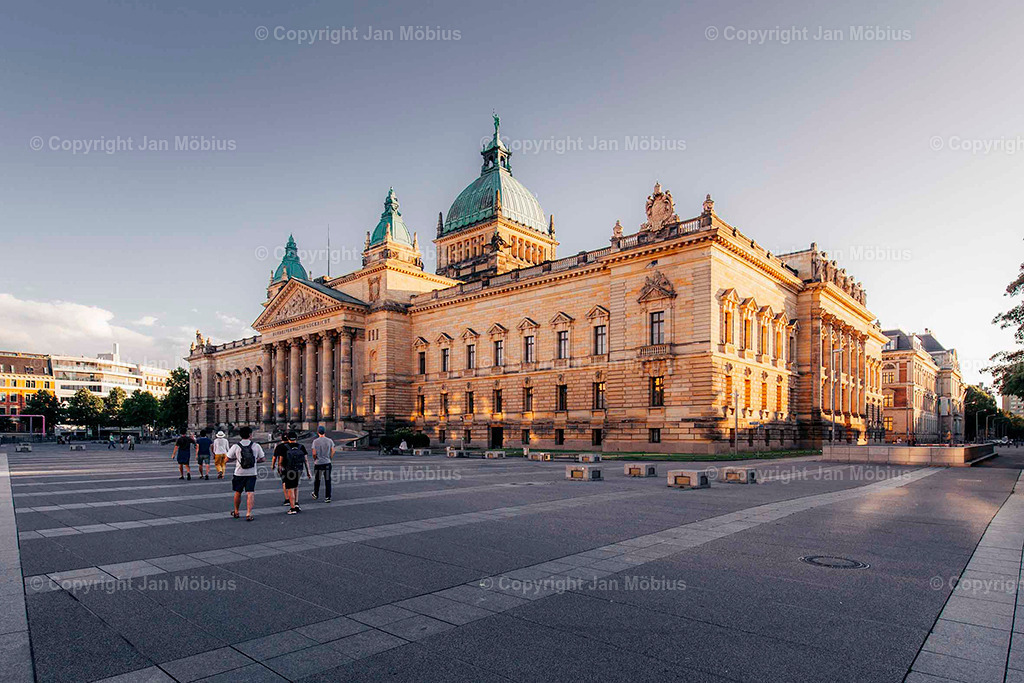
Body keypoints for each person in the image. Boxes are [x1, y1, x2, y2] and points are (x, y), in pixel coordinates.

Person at [226, 426, 265, 521]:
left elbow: (226, 459)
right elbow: (263, 459)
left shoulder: (236, 446)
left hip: (239, 473)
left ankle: (236, 511)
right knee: (250, 493)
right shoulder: (256, 446)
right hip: (252, 473)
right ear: (250, 435)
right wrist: (255, 461)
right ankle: (249, 513)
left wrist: (237, 459)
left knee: (238, 492)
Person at [274, 431, 310, 514]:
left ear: (288, 438)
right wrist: (308, 472)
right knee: (296, 486)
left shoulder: (284, 447)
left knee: (290, 489)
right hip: (299, 470)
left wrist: (279, 468)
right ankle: (296, 504)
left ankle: (292, 508)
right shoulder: (301, 447)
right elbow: (306, 460)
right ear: (296, 438)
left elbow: (281, 461)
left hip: (289, 470)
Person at [311, 426, 335, 503]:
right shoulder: (330, 441)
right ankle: (328, 497)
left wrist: (315, 459)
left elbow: (314, 453)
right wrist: (330, 458)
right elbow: (333, 451)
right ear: (325, 432)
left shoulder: (315, 441)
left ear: (318, 432)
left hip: (318, 463)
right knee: (328, 480)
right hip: (327, 462)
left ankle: (316, 494)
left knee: (317, 479)